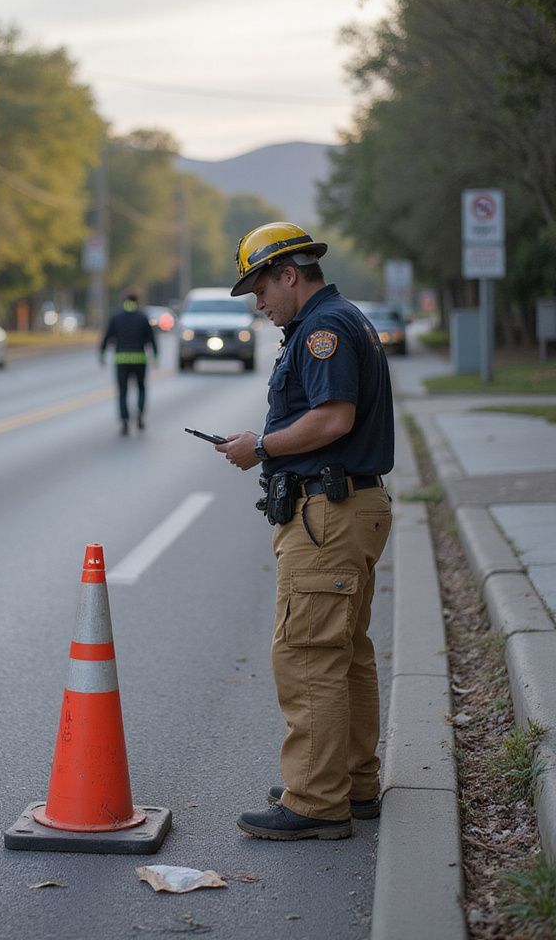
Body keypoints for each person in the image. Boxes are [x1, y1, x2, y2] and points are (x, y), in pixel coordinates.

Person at [215, 221, 394, 841]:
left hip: (330, 514)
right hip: (350, 508)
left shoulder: (322, 328)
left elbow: (333, 418)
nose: (257, 304)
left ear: (289, 274)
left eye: (260, 290)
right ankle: (352, 782)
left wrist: (260, 445)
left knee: (309, 654)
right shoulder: (342, 319)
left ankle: (318, 801)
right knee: (346, 653)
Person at [99, 292, 158, 435]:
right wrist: (155, 356)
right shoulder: (143, 317)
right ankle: (140, 412)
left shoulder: (116, 317)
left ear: (124, 301)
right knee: (141, 388)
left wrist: (101, 354)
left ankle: (125, 420)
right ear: (137, 301)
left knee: (123, 391)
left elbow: (107, 337)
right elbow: (151, 339)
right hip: (139, 359)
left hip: (122, 359)